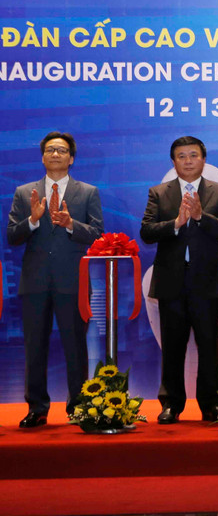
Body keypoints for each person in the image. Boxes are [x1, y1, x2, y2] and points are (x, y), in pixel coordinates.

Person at [7, 132, 104, 428]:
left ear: (71, 158)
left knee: (75, 346)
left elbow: (98, 234)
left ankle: (78, 407)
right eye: (50, 150)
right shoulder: (25, 193)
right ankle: (37, 408)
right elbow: (12, 236)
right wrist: (34, 220)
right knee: (34, 347)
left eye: (62, 150)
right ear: (42, 157)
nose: (56, 154)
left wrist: (72, 224)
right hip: (34, 283)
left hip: (72, 281)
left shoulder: (88, 192)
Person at [140, 136, 218, 424]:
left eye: (193, 155)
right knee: (172, 348)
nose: (188, 160)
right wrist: (176, 224)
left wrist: (200, 216)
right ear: (174, 162)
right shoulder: (159, 193)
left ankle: (212, 405)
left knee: (210, 347)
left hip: (207, 284)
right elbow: (147, 232)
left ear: (203, 160)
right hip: (171, 284)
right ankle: (171, 404)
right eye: (181, 156)